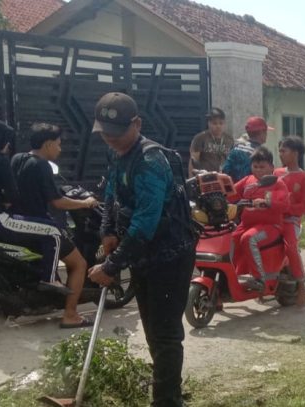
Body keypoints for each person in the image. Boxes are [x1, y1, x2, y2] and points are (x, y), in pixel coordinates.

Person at [86, 92, 197, 407]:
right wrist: (107, 230)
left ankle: (167, 401)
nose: (111, 139)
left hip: (170, 255)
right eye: (105, 133)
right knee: (152, 329)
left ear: (136, 124)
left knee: (165, 332)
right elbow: (110, 194)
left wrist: (111, 266)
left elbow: (145, 224)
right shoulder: (118, 153)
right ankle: (166, 390)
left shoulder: (150, 160)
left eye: (117, 132)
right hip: (145, 254)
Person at [0, 119, 69, 294]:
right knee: (53, 232)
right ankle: (50, 279)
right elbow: (13, 196)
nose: (7, 145)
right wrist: (4, 201)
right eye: (4, 140)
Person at [9, 123, 100, 329]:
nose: (60, 149)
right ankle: (70, 314)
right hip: (40, 228)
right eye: (58, 145)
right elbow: (58, 202)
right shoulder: (42, 165)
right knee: (79, 264)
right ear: (48, 144)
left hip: (18, 224)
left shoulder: (17, 159)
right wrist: (85, 203)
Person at [228, 147, 290, 292]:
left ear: (271, 167)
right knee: (230, 239)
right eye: (255, 166)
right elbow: (231, 193)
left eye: (262, 167)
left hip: (271, 227)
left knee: (249, 239)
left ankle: (259, 279)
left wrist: (267, 201)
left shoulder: (277, 183)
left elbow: (284, 205)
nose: (258, 170)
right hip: (246, 224)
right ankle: (230, 277)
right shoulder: (247, 180)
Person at [274, 136, 305, 305]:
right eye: (279, 151)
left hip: (292, 221)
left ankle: (301, 285)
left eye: (284, 151)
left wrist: (286, 208)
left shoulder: (304, 178)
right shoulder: (276, 173)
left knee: (290, 247)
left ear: (295, 153)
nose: (280, 154)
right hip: (274, 219)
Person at [222, 116, 272, 181]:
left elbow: (225, 170)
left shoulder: (236, 148)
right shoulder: (261, 153)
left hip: (234, 188)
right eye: (265, 131)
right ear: (262, 132)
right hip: (252, 188)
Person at [188, 107, 233, 173]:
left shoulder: (229, 139)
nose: (218, 126)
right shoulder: (200, 138)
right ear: (209, 123)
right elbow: (193, 161)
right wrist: (191, 180)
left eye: (221, 123)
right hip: (205, 177)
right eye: (215, 123)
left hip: (223, 177)